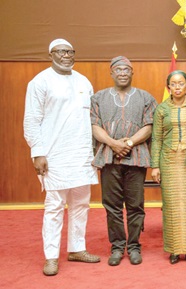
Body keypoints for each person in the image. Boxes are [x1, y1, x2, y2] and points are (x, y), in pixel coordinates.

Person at [24, 38, 100, 276]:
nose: (67, 55)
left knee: (81, 204)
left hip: (82, 154)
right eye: (61, 52)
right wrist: (37, 151)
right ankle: (51, 256)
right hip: (54, 155)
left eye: (70, 51)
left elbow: (91, 118)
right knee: (54, 206)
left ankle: (77, 248)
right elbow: (31, 119)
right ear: (51, 55)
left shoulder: (83, 81)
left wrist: (94, 150)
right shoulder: (39, 82)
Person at [90, 56, 157, 266]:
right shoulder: (98, 98)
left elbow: (149, 126)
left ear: (132, 73)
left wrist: (127, 142)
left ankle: (135, 246)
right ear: (111, 72)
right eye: (118, 69)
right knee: (112, 206)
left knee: (136, 206)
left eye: (126, 69)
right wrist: (112, 143)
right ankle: (117, 247)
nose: (122, 73)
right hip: (109, 159)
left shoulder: (146, 97)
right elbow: (94, 126)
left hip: (136, 159)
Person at [150, 70, 186, 265]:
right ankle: (174, 250)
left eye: (181, 83)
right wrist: (155, 166)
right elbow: (156, 138)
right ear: (169, 87)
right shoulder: (162, 109)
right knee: (172, 206)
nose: (177, 87)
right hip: (169, 163)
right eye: (173, 84)